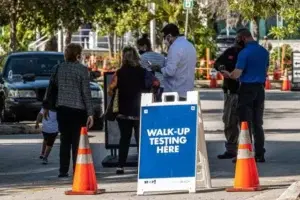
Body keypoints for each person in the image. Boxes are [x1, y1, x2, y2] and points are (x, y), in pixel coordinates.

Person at [43, 43, 94, 177]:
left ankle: (63, 170)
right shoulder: (83, 70)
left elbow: (50, 90)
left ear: (66, 54)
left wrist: (46, 107)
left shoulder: (58, 68)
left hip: (63, 110)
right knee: (78, 142)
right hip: (78, 111)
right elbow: (86, 93)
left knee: (65, 141)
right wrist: (90, 113)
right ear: (78, 55)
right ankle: (77, 170)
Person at [108, 46, 160, 175]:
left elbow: (110, 90)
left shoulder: (119, 73)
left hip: (123, 112)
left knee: (124, 139)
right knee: (140, 139)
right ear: (137, 57)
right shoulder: (143, 72)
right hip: (139, 110)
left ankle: (120, 166)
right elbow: (156, 83)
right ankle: (143, 165)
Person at [221, 28, 269, 163]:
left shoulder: (244, 53)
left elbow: (237, 74)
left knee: (244, 123)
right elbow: (265, 71)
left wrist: (228, 74)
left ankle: (245, 152)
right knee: (258, 123)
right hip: (260, 89)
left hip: (246, 89)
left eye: (238, 39)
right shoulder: (264, 52)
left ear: (242, 38)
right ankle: (259, 153)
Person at [214, 41, 244, 160]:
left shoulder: (247, 52)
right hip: (230, 91)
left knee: (244, 122)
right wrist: (221, 68)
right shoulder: (230, 52)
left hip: (243, 91)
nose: (237, 43)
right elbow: (218, 63)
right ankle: (231, 149)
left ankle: (245, 150)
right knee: (229, 120)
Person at [152, 23, 197, 101]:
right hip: (188, 91)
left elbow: (170, 71)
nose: (164, 41)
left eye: (164, 37)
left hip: (174, 93)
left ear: (169, 36)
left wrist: (159, 69)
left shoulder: (174, 47)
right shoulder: (190, 45)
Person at [137, 34, 165, 101]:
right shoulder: (161, 57)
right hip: (163, 87)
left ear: (144, 46)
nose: (138, 50)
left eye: (139, 48)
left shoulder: (142, 58)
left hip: (151, 89)